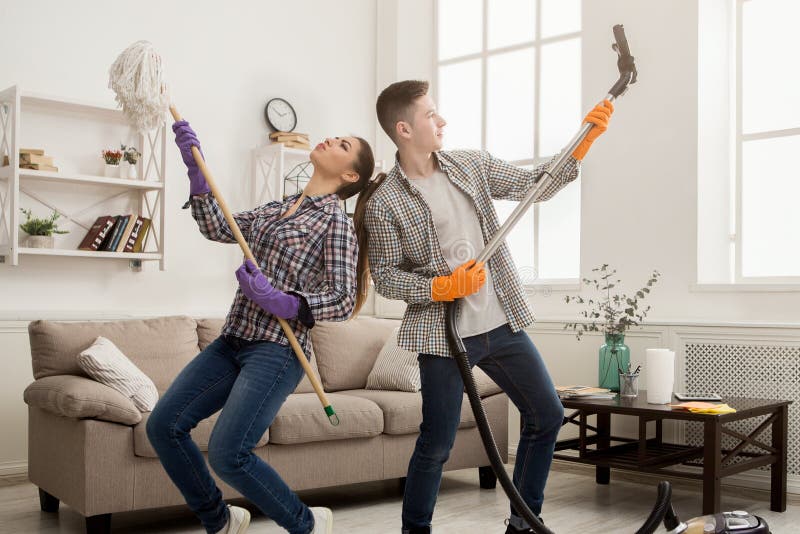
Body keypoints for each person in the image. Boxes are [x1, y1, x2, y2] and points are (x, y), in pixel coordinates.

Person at [352, 80, 612, 533]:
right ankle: (416, 529)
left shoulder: (469, 164)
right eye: (431, 114)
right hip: (445, 335)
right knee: (437, 443)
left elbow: (538, 186)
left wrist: (583, 141)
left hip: (499, 321)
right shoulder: (386, 202)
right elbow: (389, 276)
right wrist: (443, 286)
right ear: (404, 129)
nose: (441, 120)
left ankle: (523, 522)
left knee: (546, 414)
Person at [146, 120, 374, 534]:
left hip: (277, 351)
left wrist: (283, 302)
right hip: (232, 340)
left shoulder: (335, 223)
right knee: (164, 425)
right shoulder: (276, 207)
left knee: (229, 453)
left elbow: (342, 299)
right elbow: (220, 226)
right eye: (335, 135)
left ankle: (306, 524)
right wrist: (195, 171)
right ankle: (220, 519)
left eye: (342, 145)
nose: (329, 139)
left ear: (350, 176)